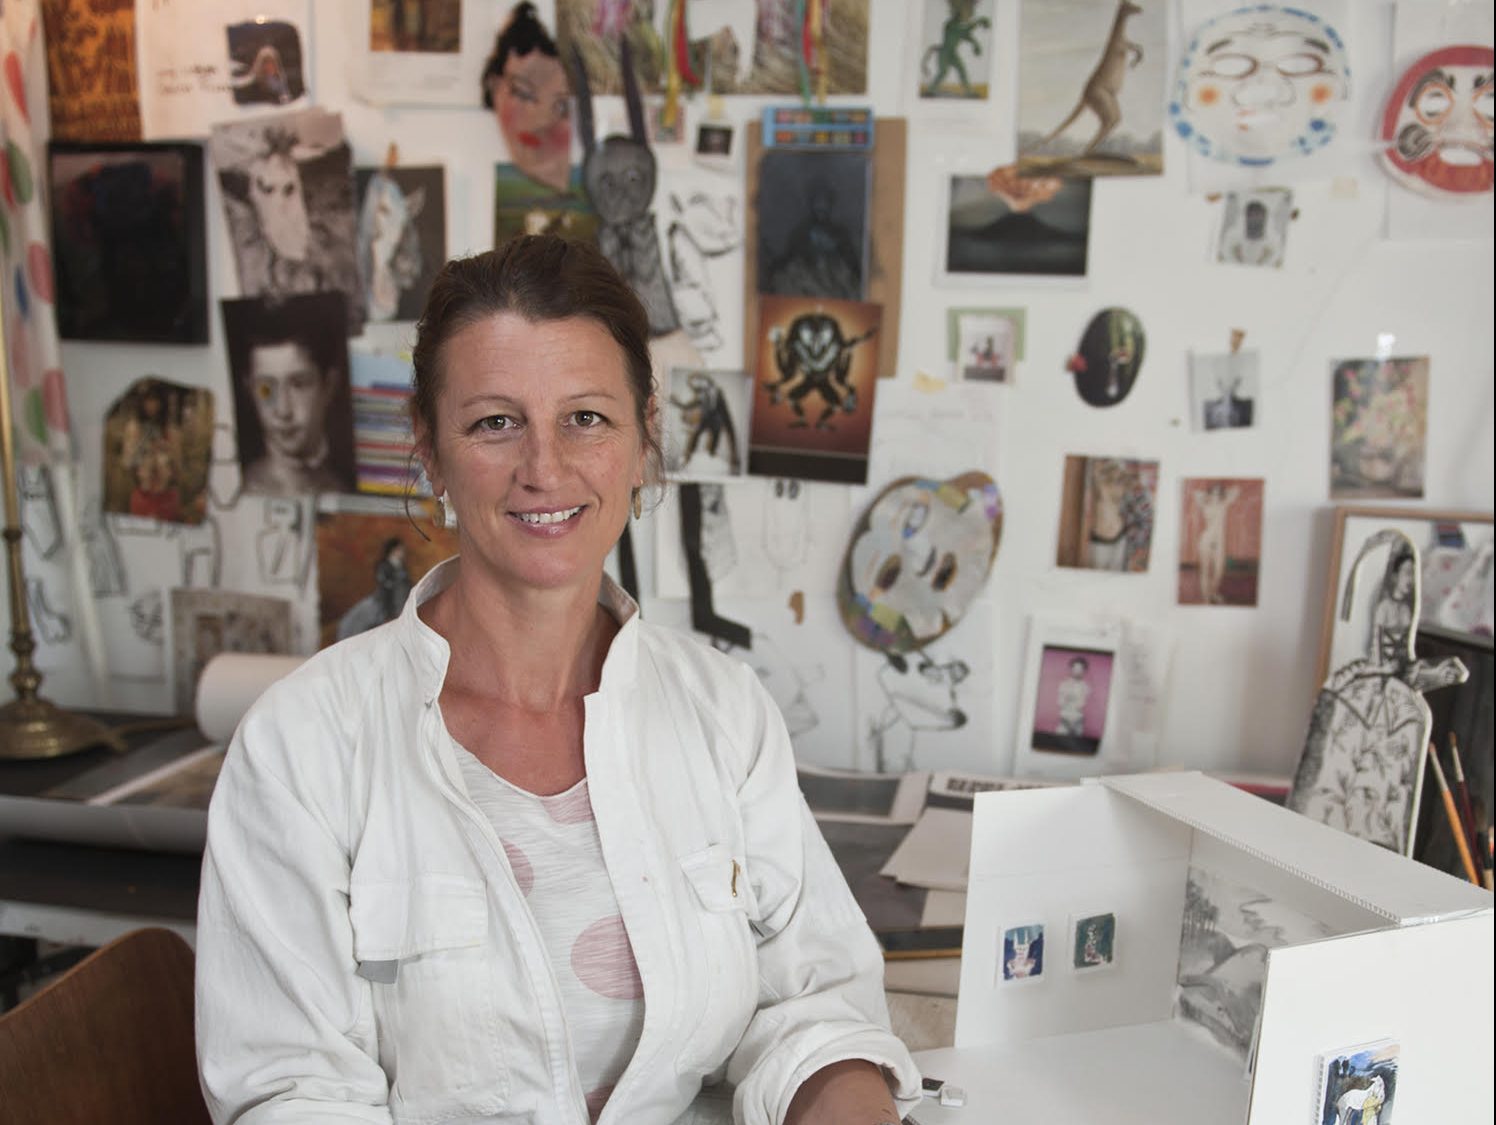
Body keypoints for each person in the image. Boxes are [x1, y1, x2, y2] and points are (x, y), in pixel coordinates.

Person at [197, 235, 920, 1124]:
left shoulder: (724, 714)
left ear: (643, 435)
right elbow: (292, 1095)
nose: (545, 468)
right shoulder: (301, 745)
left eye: (586, 417)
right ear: (428, 447)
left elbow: (815, 1007)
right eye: (495, 421)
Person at [225, 297, 356, 497]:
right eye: (266, 389)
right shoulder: (239, 488)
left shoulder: (344, 488)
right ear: (249, 389)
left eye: (299, 385)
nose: (283, 410)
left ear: (328, 385)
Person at [1193, 482, 1241, 605]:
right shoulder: (1204, 505)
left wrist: (1222, 494)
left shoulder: (1224, 504)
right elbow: (1196, 494)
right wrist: (1207, 496)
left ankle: (1213, 593)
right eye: (1213, 493)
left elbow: (1236, 490)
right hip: (1207, 540)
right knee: (1205, 570)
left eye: (1218, 493)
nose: (1215, 495)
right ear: (1209, 494)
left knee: (1219, 571)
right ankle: (1206, 599)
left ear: (1221, 495)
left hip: (1219, 542)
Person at [1056, 656, 1091, 737]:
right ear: (1071, 669)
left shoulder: (1086, 687)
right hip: (1064, 722)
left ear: (1084, 671)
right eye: (1075, 668)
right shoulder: (1063, 685)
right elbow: (1060, 703)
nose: (1077, 671)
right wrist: (1070, 698)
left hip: (1078, 723)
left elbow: (1080, 705)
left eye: (1080, 669)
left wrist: (1069, 697)